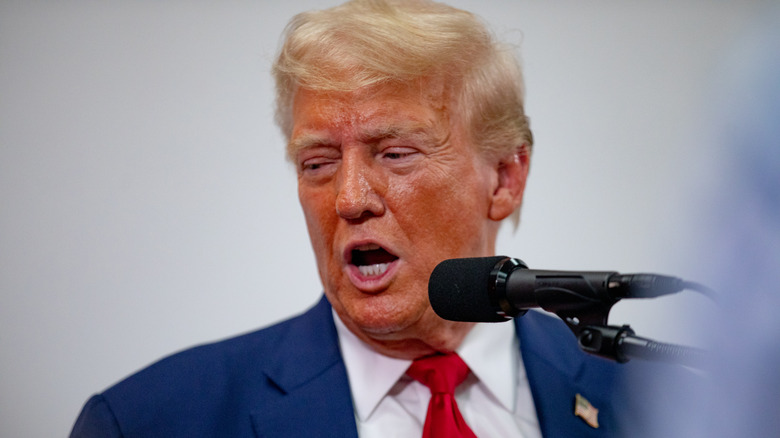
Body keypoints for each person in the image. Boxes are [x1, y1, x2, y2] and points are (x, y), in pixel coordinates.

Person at [70, 1, 692, 436]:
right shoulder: (152, 421)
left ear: (505, 177)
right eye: (317, 163)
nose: (349, 198)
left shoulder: (666, 408)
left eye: (395, 154)